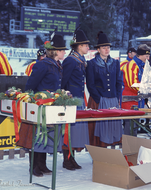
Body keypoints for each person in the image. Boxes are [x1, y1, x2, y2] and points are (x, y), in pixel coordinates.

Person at [17, 33, 68, 177]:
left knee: (46, 135)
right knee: (37, 136)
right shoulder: (42, 64)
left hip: (51, 106)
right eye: (63, 49)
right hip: (40, 106)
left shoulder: (57, 65)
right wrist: (32, 101)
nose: (65, 52)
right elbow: (30, 85)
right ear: (56, 51)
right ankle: (34, 166)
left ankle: (42, 165)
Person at [86, 31, 122, 147]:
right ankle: (98, 153)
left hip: (112, 99)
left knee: (111, 127)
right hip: (99, 100)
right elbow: (90, 84)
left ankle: (109, 154)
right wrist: (98, 99)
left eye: (108, 47)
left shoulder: (115, 63)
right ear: (98, 49)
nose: (107, 50)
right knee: (97, 128)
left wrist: (116, 97)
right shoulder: (91, 64)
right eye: (104, 47)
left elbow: (118, 81)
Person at [61, 29, 90, 170]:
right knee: (69, 131)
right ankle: (66, 160)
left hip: (79, 99)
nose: (88, 48)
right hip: (72, 100)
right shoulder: (70, 61)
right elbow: (63, 82)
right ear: (79, 46)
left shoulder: (79, 60)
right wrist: (66, 98)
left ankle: (72, 158)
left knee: (75, 131)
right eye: (86, 45)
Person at [121, 44, 151, 135]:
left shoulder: (141, 65)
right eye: (146, 56)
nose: (148, 58)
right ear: (140, 55)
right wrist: (145, 90)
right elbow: (132, 84)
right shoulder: (132, 65)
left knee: (135, 126)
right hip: (130, 99)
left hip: (136, 99)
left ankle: (133, 146)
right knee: (130, 125)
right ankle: (128, 146)